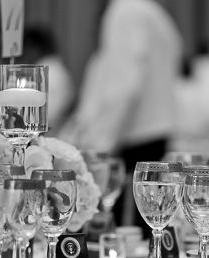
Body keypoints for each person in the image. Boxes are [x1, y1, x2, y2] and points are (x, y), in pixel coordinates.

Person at [61, 0, 183, 234]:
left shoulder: (125, 12)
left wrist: (102, 145)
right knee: (149, 227)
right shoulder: (154, 12)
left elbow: (124, 84)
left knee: (121, 233)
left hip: (132, 135)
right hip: (154, 130)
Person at [18, 26, 75, 134]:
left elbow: (43, 118)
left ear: (33, 48)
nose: (23, 55)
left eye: (24, 50)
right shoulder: (53, 70)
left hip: (48, 138)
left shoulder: (49, 74)